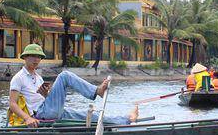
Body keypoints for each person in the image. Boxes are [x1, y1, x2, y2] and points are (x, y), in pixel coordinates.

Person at [8, 44, 138, 128]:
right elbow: (12, 104)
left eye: (38, 57)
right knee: (65, 76)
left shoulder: (38, 77)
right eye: (32, 56)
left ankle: (127, 119)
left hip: (49, 110)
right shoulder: (18, 77)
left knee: (90, 116)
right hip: (40, 114)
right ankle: (97, 91)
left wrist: (46, 94)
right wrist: (27, 119)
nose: (35, 59)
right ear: (25, 57)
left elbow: (43, 98)